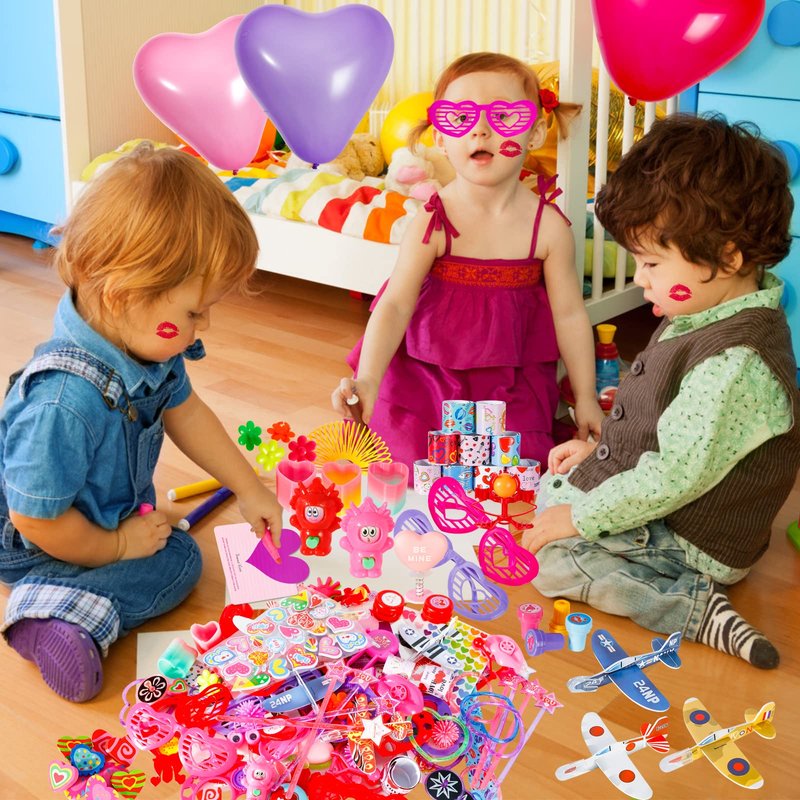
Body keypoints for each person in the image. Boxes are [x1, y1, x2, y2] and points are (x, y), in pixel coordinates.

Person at [0, 144, 283, 702]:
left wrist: (249, 488)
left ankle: (71, 599)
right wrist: (115, 547)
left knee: (172, 547)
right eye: (194, 312)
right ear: (124, 293)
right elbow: (34, 519)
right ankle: (46, 611)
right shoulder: (63, 402)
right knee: (178, 562)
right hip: (39, 539)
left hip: (94, 517)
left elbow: (187, 412)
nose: (204, 326)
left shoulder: (146, 344)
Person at [523, 114, 800, 670]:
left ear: (727, 258)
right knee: (550, 491)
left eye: (650, 263)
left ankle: (690, 607)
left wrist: (582, 518)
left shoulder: (735, 362)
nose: (639, 279)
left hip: (691, 535)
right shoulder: (706, 306)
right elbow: (663, 420)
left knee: (555, 564)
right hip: (672, 494)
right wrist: (599, 453)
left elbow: (674, 476)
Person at [332, 52, 603, 472]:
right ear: (441, 139)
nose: (480, 129)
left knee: (519, 467)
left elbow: (569, 315)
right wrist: (367, 378)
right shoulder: (433, 220)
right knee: (409, 460)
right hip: (429, 376)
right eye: (461, 118)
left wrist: (585, 397)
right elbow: (396, 304)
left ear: (534, 133)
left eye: (504, 116)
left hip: (509, 382)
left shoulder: (547, 228)